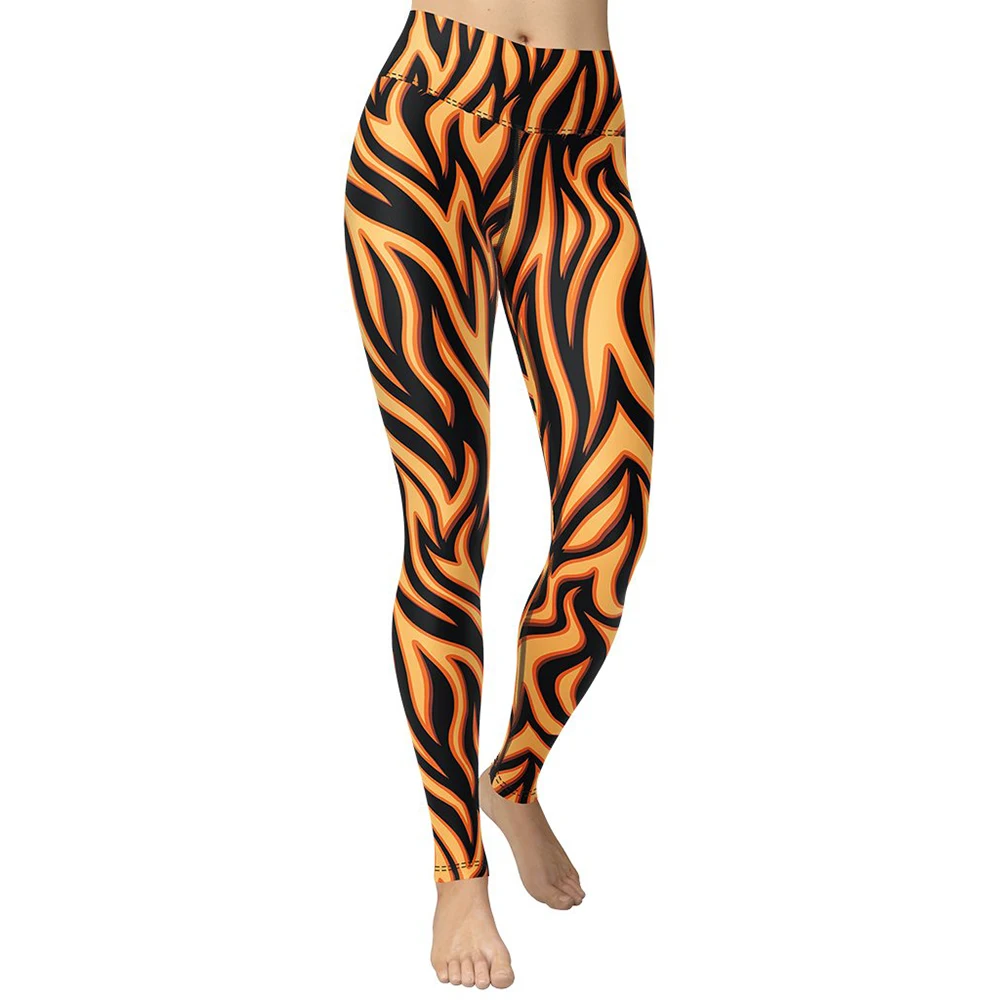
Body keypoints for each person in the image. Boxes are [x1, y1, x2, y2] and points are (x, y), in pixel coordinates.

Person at [343, 0, 655, 987]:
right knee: (446, 525)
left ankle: (511, 778)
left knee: (609, 524)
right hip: (427, 121)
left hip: (579, 142)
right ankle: (456, 871)